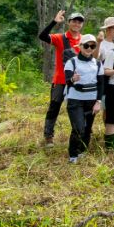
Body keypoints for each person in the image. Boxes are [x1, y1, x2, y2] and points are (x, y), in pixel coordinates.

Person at [38, 10, 83, 146]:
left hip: (77, 81)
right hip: (60, 80)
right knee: (54, 107)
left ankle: (79, 135)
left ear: (82, 24)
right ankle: (48, 136)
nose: (76, 23)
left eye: (79, 21)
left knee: (77, 109)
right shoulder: (60, 38)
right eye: (74, 21)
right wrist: (54, 22)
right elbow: (42, 36)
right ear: (69, 22)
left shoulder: (84, 40)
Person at [63, 34, 103, 163]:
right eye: (86, 45)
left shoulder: (97, 63)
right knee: (78, 127)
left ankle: (82, 151)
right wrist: (72, 79)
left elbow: (101, 83)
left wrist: (98, 101)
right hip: (75, 99)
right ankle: (73, 155)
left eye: (92, 46)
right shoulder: (72, 62)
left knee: (87, 128)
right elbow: (67, 81)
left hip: (91, 100)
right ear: (80, 46)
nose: (89, 48)